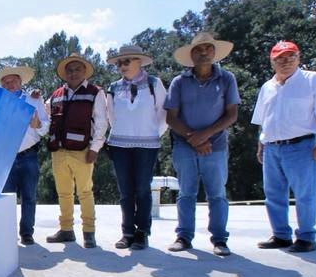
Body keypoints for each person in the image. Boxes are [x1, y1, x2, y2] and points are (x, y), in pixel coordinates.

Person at [252, 40, 316, 253]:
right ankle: (281, 235)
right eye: (280, 58)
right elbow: (264, 119)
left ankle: (307, 237)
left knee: (304, 193)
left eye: (290, 57)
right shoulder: (267, 87)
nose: (286, 62)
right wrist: (260, 145)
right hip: (272, 147)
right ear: (272, 61)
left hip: (301, 145)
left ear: (298, 58)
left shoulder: (312, 80)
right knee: (273, 194)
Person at [164, 31, 240, 256]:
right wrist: (193, 138)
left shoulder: (227, 79)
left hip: (215, 146)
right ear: (191, 54)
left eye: (208, 48)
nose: (203, 52)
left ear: (215, 53)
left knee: (217, 193)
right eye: (198, 49)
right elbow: (171, 117)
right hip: (184, 145)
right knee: (186, 193)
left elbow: (231, 115)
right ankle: (184, 237)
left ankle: (219, 240)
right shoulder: (179, 82)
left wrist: (205, 135)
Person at [104, 45, 168, 250]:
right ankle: (127, 231)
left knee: (142, 189)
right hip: (120, 145)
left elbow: (163, 113)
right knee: (125, 191)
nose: (122, 66)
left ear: (139, 61)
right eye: (119, 63)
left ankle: (142, 232)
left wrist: (151, 134)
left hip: (147, 145)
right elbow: (111, 116)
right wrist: (125, 132)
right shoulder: (113, 87)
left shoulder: (154, 84)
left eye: (127, 61)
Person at [45, 54, 108, 248]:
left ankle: (89, 232)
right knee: (63, 192)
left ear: (84, 72)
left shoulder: (95, 92)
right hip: (59, 151)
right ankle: (66, 230)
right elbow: (45, 115)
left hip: (83, 150)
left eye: (77, 69)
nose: (73, 73)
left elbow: (101, 123)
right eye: (69, 70)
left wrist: (95, 148)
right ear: (64, 74)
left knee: (85, 192)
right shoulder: (55, 95)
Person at [0, 64, 49, 245]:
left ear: (20, 82)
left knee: (29, 196)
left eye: (13, 81)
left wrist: (38, 125)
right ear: (1, 85)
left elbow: (45, 127)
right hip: (6, 157)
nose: (9, 84)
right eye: (5, 82)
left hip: (29, 155)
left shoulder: (34, 100)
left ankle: (27, 233)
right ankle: (7, 233)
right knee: (6, 198)